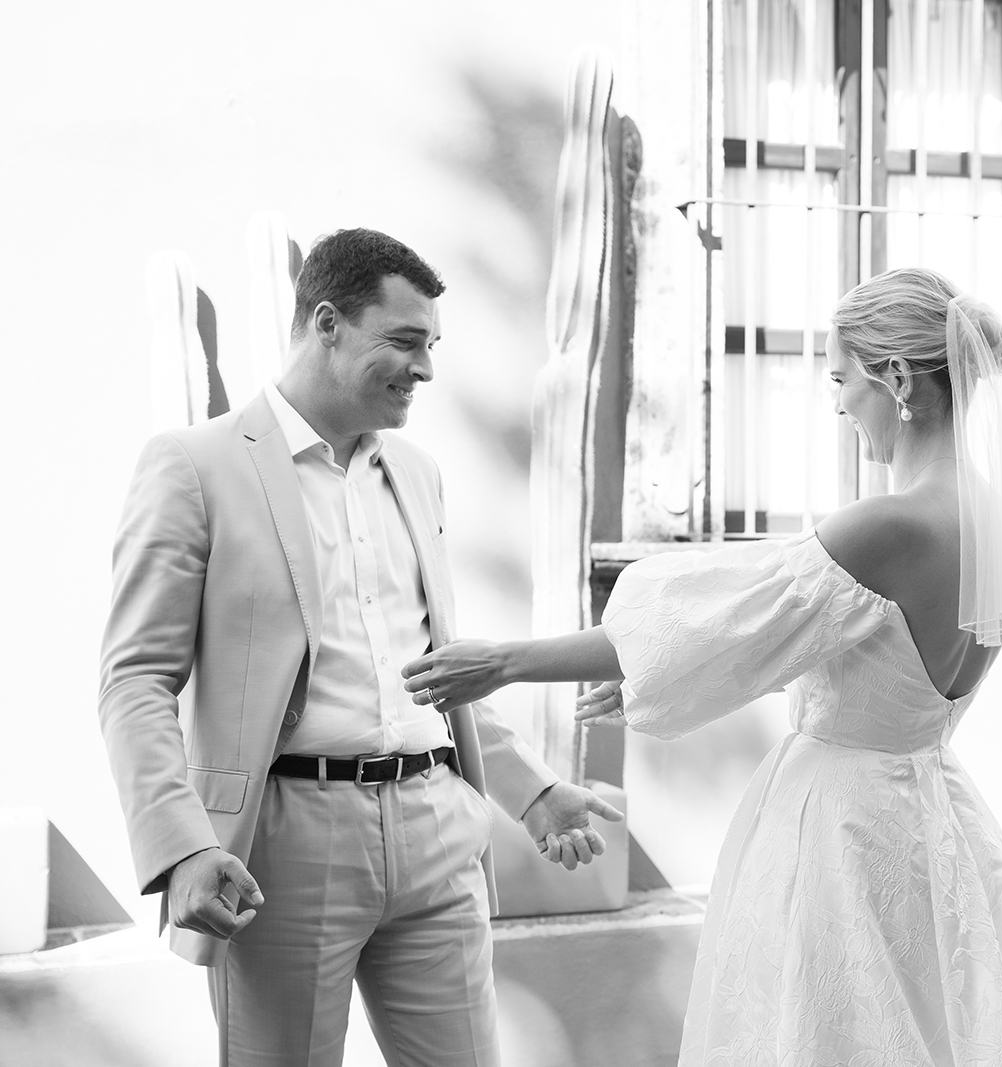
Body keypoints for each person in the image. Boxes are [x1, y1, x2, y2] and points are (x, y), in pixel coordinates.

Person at [403, 267, 1002, 1065]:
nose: (838, 404)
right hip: (932, 811)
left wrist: (503, 661)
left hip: (842, 827)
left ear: (898, 379)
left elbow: (706, 622)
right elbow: (858, 654)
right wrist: (667, 674)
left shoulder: (887, 526)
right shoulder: (996, 522)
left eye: (841, 380)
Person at [98, 228, 622, 1067]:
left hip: (437, 829)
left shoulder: (417, 472)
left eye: (432, 345)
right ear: (328, 324)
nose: (426, 368)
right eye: (406, 341)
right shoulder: (193, 466)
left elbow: (422, 668)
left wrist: (530, 789)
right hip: (286, 843)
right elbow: (135, 679)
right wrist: (185, 844)